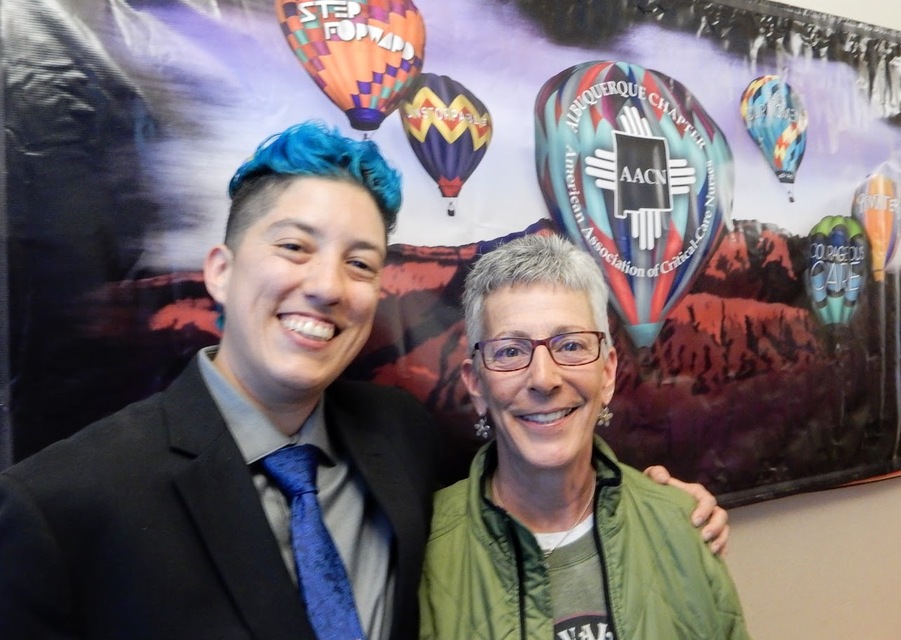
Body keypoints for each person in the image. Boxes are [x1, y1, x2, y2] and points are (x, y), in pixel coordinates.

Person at [0, 121, 727, 640]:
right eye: (294, 246)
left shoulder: (398, 436)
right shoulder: (61, 508)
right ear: (219, 271)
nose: (325, 286)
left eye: (358, 263)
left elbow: (537, 441)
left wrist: (660, 505)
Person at [418, 234, 750, 639]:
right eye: (510, 351)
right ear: (476, 385)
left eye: (571, 345)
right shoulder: (421, 549)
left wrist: (671, 513)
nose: (544, 379)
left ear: (607, 373)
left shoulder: (685, 525)